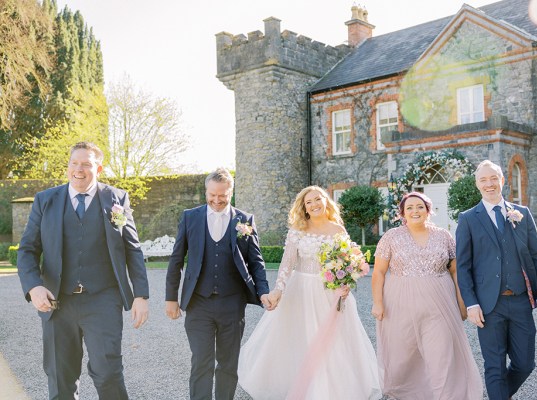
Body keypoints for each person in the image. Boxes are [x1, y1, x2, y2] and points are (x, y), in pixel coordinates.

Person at [17, 142, 149, 400]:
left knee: (108, 372)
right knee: (60, 377)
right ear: (68, 166)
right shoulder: (46, 200)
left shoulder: (116, 199)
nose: (79, 169)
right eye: (74, 163)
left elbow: (132, 249)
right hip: (58, 302)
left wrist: (140, 295)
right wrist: (34, 287)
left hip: (103, 299)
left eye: (86, 164)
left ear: (98, 168)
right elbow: (27, 250)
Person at [238, 186, 381, 400]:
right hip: (301, 290)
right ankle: (301, 385)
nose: (314, 204)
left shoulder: (337, 229)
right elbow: (287, 263)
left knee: (333, 341)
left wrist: (347, 280)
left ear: (326, 201)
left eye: (317, 199)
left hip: (330, 293)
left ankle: (329, 390)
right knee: (302, 338)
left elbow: (347, 260)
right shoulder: (298, 229)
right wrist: (278, 289)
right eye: (309, 202)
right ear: (304, 207)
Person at [165, 167, 271, 400]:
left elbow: (256, 262)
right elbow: (176, 260)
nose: (216, 200)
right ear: (206, 191)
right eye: (211, 195)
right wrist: (171, 298)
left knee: (227, 364)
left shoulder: (245, 220)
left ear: (231, 192)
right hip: (198, 303)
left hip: (232, 305)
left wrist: (264, 292)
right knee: (201, 362)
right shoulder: (190, 217)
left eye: (221, 195)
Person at [456, 160, 537, 400]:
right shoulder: (468, 218)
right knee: (495, 366)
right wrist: (471, 303)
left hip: (520, 301)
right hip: (489, 306)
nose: (489, 184)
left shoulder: (522, 214)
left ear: (502, 180)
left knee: (525, 364)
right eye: (483, 180)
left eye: (493, 178)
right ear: (477, 184)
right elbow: (463, 266)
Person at [371, 191, 482, 400]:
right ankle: (407, 392)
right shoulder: (391, 237)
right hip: (399, 303)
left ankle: (446, 394)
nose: (415, 211)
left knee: (441, 351)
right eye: (410, 207)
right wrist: (378, 303)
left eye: (420, 206)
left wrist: (461, 302)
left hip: (439, 303)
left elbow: (456, 271)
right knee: (403, 353)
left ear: (428, 210)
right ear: (402, 212)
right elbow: (378, 272)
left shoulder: (444, 236)